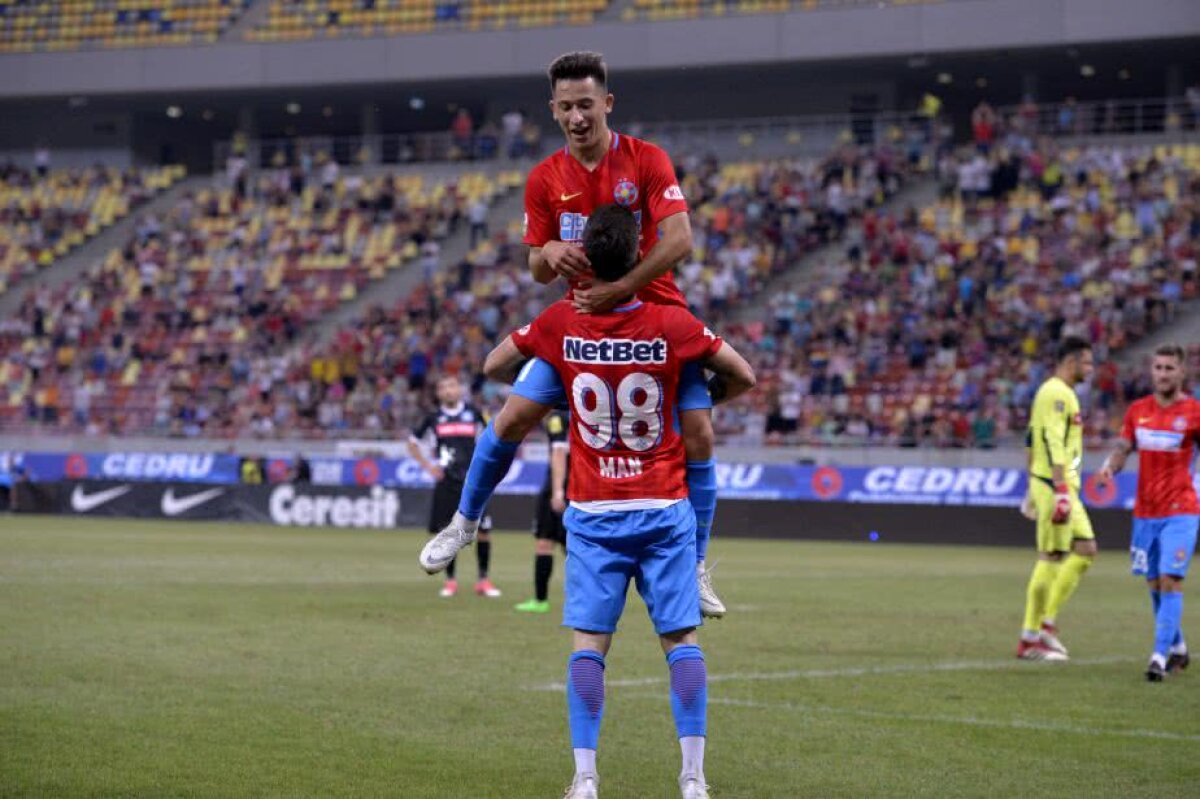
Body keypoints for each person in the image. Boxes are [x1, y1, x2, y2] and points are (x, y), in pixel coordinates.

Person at [420, 205, 756, 799]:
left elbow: (494, 365)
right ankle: (694, 779)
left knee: (588, 651)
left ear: (584, 259)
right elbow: (745, 375)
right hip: (663, 510)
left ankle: (584, 779)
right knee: (681, 644)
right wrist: (686, 389)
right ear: (639, 258)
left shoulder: (560, 323)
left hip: (596, 514)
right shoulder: (673, 324)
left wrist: (565, 387)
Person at [517, 51, 726, 618]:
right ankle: (463, 524)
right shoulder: (543, 178)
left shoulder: (647, 160)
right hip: (581, 326)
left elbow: (680, 240)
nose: (577, 116)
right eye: (566, 107)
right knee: (510, 417)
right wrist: (547, 254)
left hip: (656, 317)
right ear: (553, 110)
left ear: (606, 103)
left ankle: (699, 564)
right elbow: (536, 265)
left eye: (586, 104)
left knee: (700, 432)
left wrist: (622, 286)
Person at [1098, 344, 1200, 681]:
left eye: (1170, 368)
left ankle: (1158, 656)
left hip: (1182, 509)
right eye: (1158, 368)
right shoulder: (1138, 410)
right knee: (1154, 582)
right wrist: (1111, 467)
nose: (1163, 374)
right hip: (1145, 511)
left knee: (1171, 579)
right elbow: (1123, 447)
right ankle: (1179, 647)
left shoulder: (1194, 412)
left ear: (1182, 372)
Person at [1017, 337, 1097, 661]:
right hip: (1055, 485)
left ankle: (1047, 622)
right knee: (1051, 556)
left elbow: (1029, 438)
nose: (1090, 369)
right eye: (1087, 362)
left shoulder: (1064, 394)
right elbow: (1049, 441)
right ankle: (1029, 638)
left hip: (1060, 484)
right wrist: (1058, 490)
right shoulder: (1055, 393)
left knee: (1086, 550)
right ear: (1071, 362)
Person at [407, 375, 499, 598]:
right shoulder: (433, 418)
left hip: (474, 483)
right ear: (438, 393)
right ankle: (450, 581)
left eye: (452, 386)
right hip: (447, 482)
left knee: (484, 531)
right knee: (449, 532)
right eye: (443, 387)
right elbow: (412, 443)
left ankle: (483, 580)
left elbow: (493, 438)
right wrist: (428, 466)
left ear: (459, 390)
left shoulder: (474, 413)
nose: (448, 391)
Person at [514, 410, 570, 614]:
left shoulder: (557, 418)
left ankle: (540, 600)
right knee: (573, 548)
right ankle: (584, 600)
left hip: (560, 488)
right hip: (581, 486)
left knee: (545, 543)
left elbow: (558, 451)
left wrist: (557, 491)